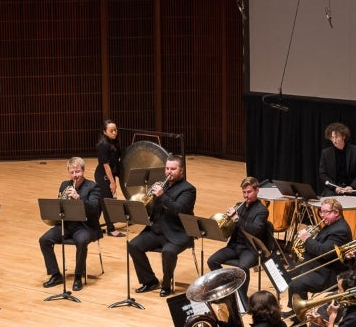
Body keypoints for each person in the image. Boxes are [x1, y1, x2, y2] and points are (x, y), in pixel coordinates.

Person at [128, 154, 196, 296]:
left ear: (181, 171)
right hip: (156, 230)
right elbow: (152, 208)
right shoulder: (161, 184)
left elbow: (179, 209)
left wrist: (162, 196)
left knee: (169, 252)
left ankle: (166, 285)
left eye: (173, 169)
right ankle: (150, 281)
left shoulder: (188, 190)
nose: (169, 172)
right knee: (133, 245)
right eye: (167, 168)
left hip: (177, 233)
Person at [39, 157, 102, 292]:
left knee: (81, 241)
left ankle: (78, 276)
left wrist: (78, 198)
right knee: (44, 240)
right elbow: (59, 206)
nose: (75, 176)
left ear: (83, 171)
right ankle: (56, 275)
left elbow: (94, 209)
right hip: (67, 225)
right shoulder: (64, 185)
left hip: (86, 226)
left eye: (78, 172)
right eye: (72, 172)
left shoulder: (93, 187)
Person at [207, 177, 271, 306]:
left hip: (250, 248)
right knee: (212, 261)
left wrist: (236, 219)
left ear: (257, 190)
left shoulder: (262, 211)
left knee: (242, 268)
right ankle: (227, 290)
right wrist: (227, 224)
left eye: (249, 192)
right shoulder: (239, 206)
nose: (246, 195)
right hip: (234, 245)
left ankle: (243, 299)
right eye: (244, 192)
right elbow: (231, 229)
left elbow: (255, 230)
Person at [286, 198, 352, 309]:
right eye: (321, 212)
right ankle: (294, 310)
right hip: (317, 266)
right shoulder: (331, 224)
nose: (322, 215)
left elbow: (324, 252)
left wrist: (307, 239)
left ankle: (300, 319)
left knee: (296, 284)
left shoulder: (340, 230)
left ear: (336, 213)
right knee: (288, 274)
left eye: (325, 212)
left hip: (327, 273)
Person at [318, 122, 356, 196]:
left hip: (351, 188)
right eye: (332, 137)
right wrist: (335, 187)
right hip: (333, 189)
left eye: (336, 137)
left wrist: (352, 186)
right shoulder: (326, 153)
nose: (334, 140)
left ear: (343, 136)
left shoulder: (355, 151)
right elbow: (323, 174)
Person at [95, 119, 124, 237]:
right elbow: (106, 166)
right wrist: (112, 182)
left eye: (115, 130)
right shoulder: (103, 145)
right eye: (111, 130)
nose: (114, 132)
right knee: (107, 202)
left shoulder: (115, 142)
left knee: (102, 202)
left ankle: (92, 226)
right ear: (104, 132)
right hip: (103, 176)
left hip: (110, 174)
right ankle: (110, 229)